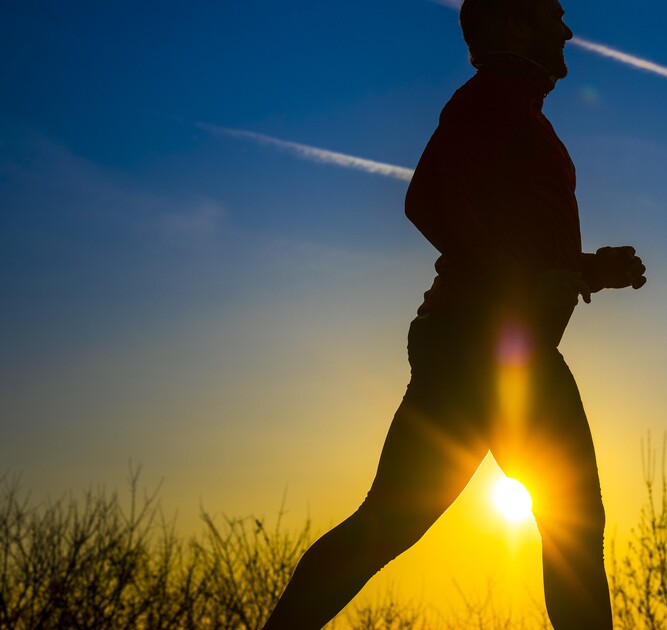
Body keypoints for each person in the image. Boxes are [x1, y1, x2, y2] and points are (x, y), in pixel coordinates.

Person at [262, 0, 645, 627]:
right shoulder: (490, 98)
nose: (567, 29)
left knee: (389, 523)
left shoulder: (513, 109)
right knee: (573, 523)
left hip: (474, 339)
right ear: (515, 23)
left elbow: (511, 243)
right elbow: (429, 199)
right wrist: (524, 284)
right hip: (494, 344)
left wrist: (589, 269)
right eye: (552, 14)